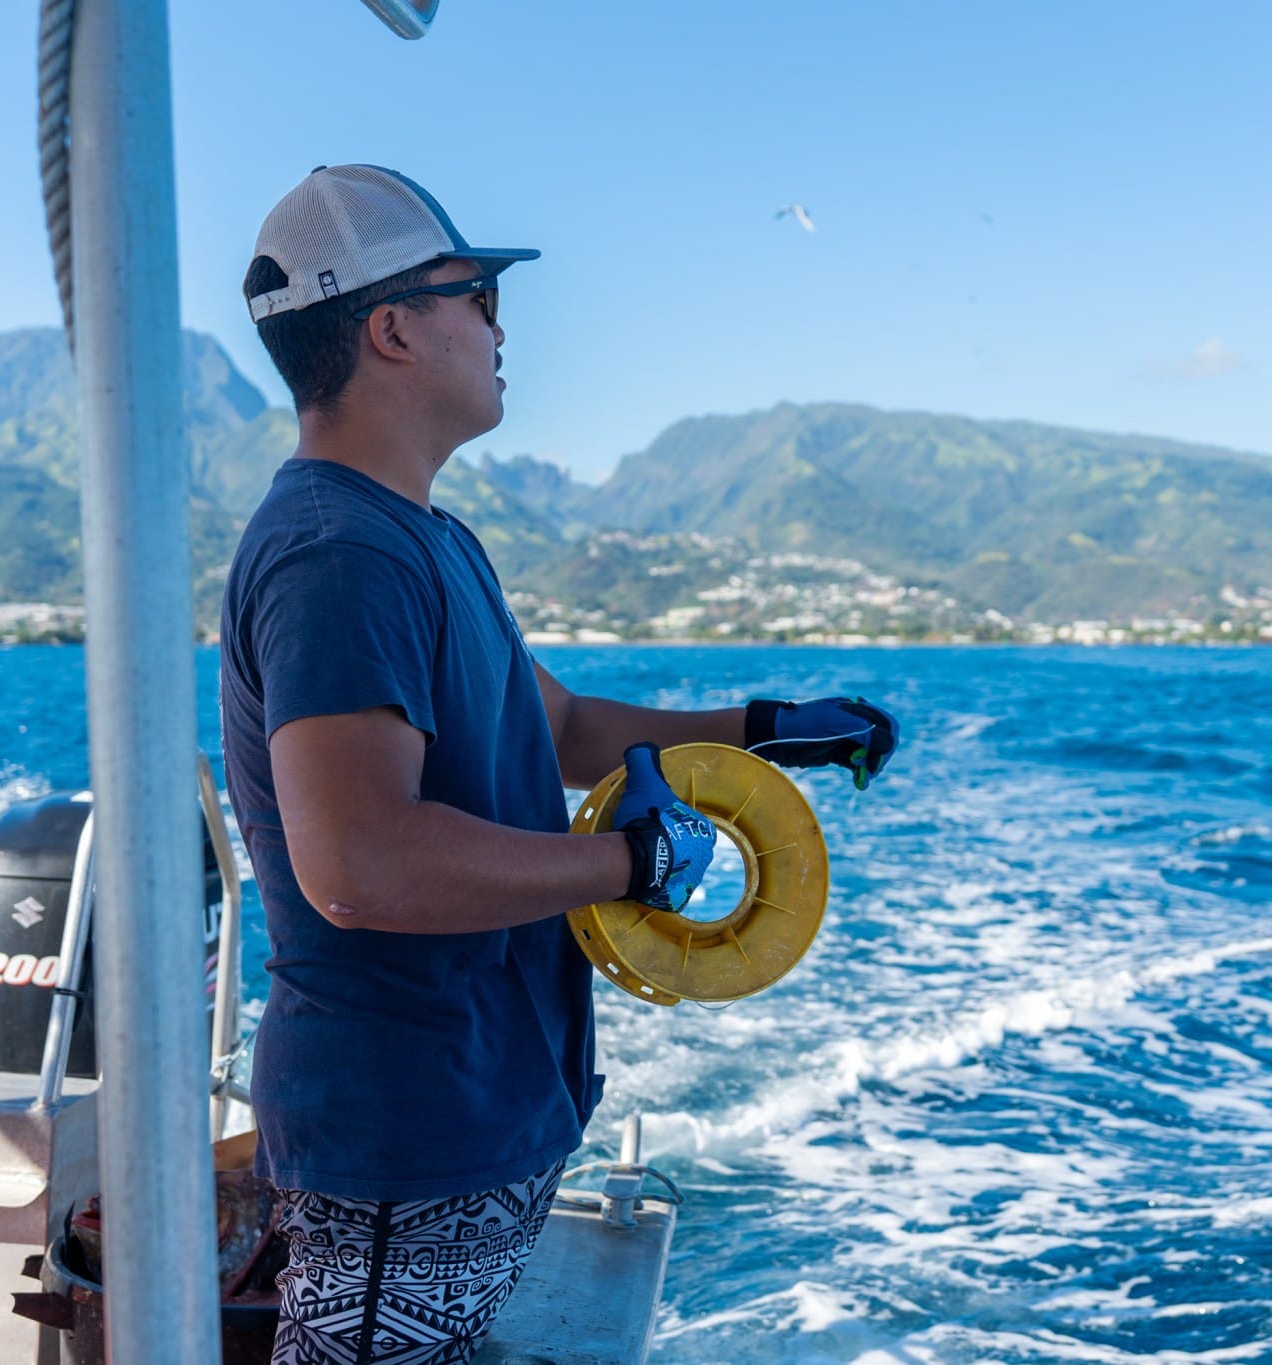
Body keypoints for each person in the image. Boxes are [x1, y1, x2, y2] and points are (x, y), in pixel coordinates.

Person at [218, 164, 901, 1364]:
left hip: (483, 1103)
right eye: (476, 295)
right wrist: (630, 863)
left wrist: (761, 728)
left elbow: (564, 726)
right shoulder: (338, 555)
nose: (498, 325)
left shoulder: (426, 539)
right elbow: (361, 865)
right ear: (390, 329)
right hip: (408, 1126)